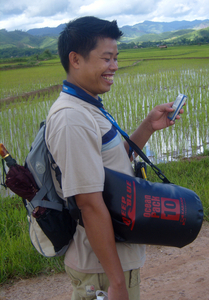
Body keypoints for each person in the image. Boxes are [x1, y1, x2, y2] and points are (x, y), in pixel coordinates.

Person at [45, 16, 183, 300]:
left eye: (116, 58)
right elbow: (89, 204)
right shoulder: (72, 118)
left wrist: (147, 126)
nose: (115, 67)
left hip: (110, 259)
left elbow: (112, 164)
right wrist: (116, 283)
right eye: (107, 58)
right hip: (102, 269)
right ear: (76, 59)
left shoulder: (88, 105)